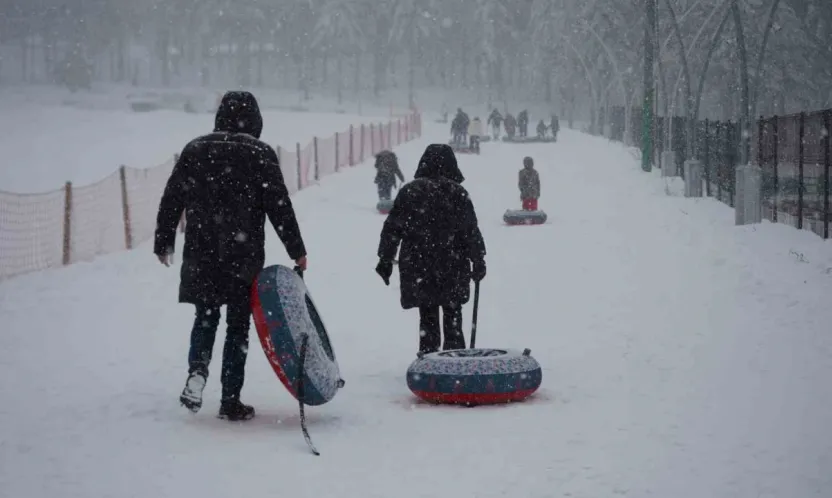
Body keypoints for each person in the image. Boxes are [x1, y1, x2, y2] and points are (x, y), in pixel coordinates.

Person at [154, 90, 308, 421]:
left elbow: (172, 197)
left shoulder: (196, 149)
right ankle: (230, 399)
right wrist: (297, 250)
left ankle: (197, 372)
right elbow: (279, 206)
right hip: (243, 256)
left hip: (202, 252)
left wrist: (164, 240)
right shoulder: (260, 153)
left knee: (206, 316)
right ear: (255, 120)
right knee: (238, 327)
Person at [375, 144, 487, 355]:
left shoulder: (409, 191)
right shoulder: (458, 193)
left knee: (427, 315)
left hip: (419, 265)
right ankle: (455, 359)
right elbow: (470, 230)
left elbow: (393, 228)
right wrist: (478, 259)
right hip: (453, 265)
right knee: (453, 313)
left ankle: (429, 359)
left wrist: (385, 259)